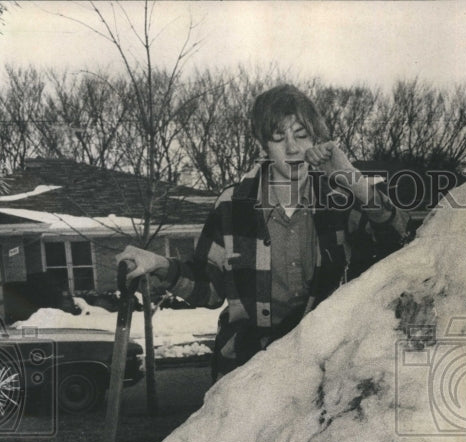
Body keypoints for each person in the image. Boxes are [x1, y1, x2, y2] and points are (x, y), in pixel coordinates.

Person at [117, 84, 409, 379]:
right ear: (263, 146)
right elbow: (210, 287)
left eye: (302, 135)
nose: (293, 149)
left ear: (317, 138)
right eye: (279, 138)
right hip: (248, 371)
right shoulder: (233, 204)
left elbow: (397, 239)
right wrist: (158, 264)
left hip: (321, 370)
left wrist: (352, 178)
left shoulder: (339, 199)